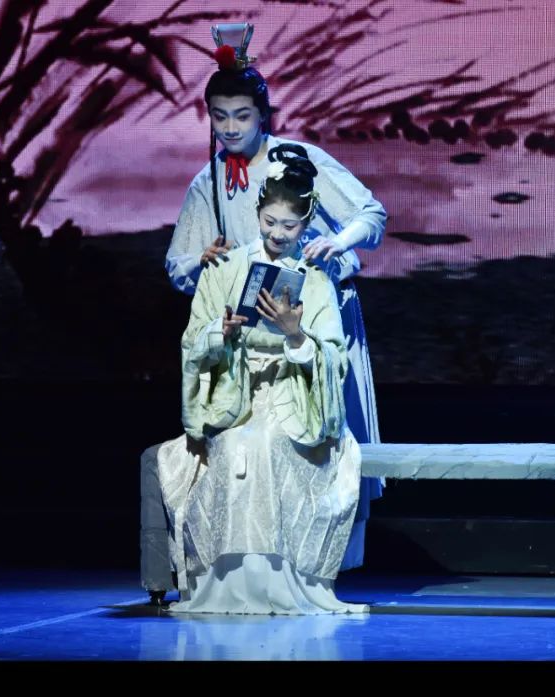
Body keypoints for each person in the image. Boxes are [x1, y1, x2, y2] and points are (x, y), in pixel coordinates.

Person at [141, 24, 387, 602]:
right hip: (250, 344)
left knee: (327, 435)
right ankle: (255, 560)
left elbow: (371, 216)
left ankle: (324, 565)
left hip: (315, 321)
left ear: (262, 115)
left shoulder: (297, 160)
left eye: (242, 116)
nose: (230, 128)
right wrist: (203, 262)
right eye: (220, 117)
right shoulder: (208, 181)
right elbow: (178, 265)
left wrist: (335, 242)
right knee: (251, 447)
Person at [149, 144, 367, 614]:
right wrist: (221, 333)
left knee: (269, 445)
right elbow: (192, 340)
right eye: (270, 222)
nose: (277, 234)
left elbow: (334, 357)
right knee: (235, 446)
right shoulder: (225, 268)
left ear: (306, 225)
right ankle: (228, 584)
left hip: (295, 399)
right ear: (258, 214)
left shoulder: (315, 278)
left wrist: (296, 336)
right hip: (235, 394)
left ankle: (277, 583)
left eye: (290, 226)